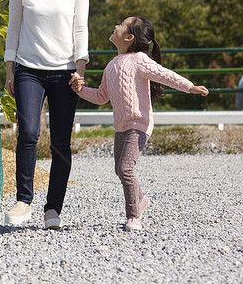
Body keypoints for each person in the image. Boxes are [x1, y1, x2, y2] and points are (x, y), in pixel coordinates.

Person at [70, 16, 209, 231]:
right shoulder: (111, 66)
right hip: (121, 126)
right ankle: (141, 198)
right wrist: (79, 90)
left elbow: (165, 75)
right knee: (119, 169)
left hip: (139, 124)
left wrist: (190, 86)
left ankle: (134, 216)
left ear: (129, 37)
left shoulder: (140, 60)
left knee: (125, 168)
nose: (115, 25)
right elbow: (100, 96)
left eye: (121, 24)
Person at [3, 0, 89, 229]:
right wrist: (10, 69)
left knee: (60, 143)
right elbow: (13, 29)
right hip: (28, 70)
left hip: (65, 72)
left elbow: (81, 29)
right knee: (27, 133)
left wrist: (80, 68)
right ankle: (24, 201)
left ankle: (53, 209)